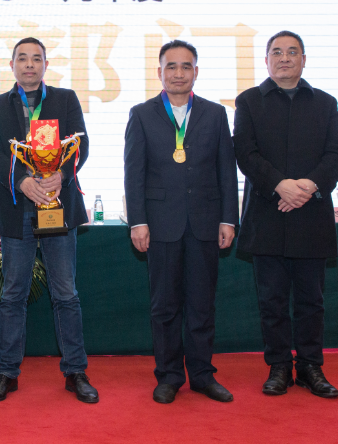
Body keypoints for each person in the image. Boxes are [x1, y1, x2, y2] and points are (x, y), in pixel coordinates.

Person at [0, 37, 98, 404]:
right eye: (22, 58)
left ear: (46, 64)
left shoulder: (65, 99)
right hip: (18, 209)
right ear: (12, 65)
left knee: (66, 294)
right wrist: (22, 181)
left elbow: (81, 145)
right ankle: (7, 372)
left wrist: (62, 174)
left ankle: (75, 371)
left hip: (57, 206)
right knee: (12, 294)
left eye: (36, 59)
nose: (29, 64)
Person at [233, 30, 338, 398]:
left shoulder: (325, 103)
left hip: (310, 215)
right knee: (272, 300)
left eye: (292, 52)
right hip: (267, 213)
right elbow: (245, 152)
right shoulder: (249, 101)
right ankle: (279, 365)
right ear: (267, 60)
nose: (284, 58)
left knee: (311, 301)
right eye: (277, 52)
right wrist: (280, 185)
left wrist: (309, 186)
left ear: (304, 59)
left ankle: (311, 366)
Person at [123, 40, 239, 404]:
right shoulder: (141, 114)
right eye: (170, 66)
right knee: (165, 306)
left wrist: (228, 218)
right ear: (159, 72)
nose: (178, 73)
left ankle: (202, 375)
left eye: (185, 66)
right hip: (160, 224)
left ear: (196, 72)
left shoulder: (215, 114)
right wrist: (137, 221)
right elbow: (133, 173)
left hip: (205, 221)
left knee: (202, 304)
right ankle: (169, 375)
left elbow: (226, 170)